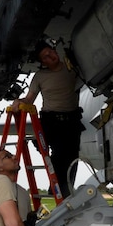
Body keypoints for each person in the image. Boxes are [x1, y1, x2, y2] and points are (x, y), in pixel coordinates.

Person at [15, 41, 84, 198]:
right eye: (45, 56)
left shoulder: (72, 69)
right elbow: (29, 99)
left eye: (51, 52)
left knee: (72, 156)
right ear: (42, 62)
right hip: (50, 120)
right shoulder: (40, 76)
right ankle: (57, 187)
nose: (50, 56)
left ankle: (65, 187)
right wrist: (18, 102)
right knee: (59, 152)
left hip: (71, 119)